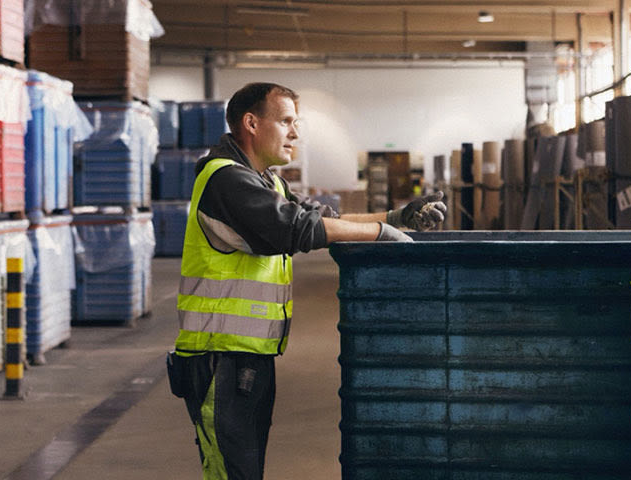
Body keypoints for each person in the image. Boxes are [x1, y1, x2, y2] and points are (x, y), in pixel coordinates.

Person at [168, 82, 446, 480]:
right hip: (218, 358)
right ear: (251, 123)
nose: (295, 133)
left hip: (247, 356)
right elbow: (295, 228)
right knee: (231, 473)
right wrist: (380, 235)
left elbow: (325, 220)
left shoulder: (266, 182)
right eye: (285, 121)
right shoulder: (225, 179)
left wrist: (396, 218)